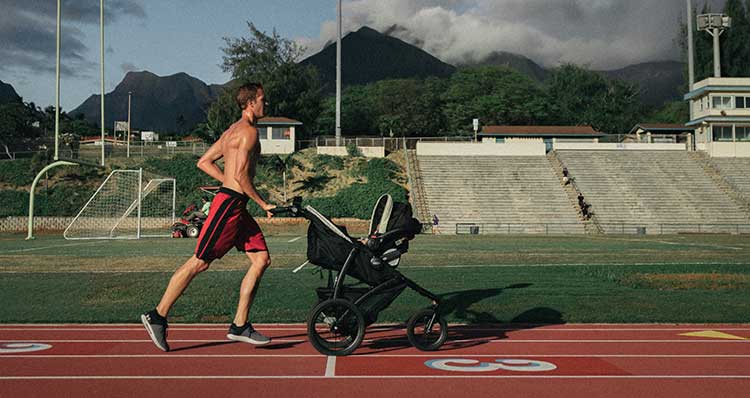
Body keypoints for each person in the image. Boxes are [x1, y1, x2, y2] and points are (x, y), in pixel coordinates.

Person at [141, 83, 276, 352]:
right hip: (228, 207)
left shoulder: (231, 132)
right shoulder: (247, 132)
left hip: (237, 206)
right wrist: (263, 203)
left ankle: (240, 325)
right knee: (199, 262)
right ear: (250, 103)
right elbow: (239, 176)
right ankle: (157, 315)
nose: (266, 104)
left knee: (261, 259)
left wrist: (230, 183)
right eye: (262, 99)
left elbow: (203, 162)